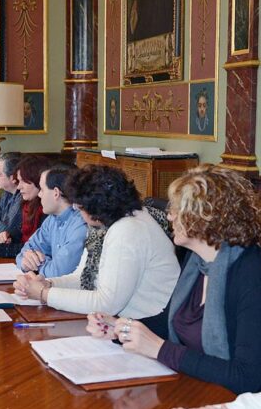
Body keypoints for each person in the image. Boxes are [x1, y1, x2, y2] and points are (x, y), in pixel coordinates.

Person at [87, 165, 261, 395]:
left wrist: (160, 349)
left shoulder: (251, 273)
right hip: (193, 387)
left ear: (203, 218)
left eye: (177, 210)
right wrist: (121, 328)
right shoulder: (197, 261)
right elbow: (171, 321)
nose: (169, 216)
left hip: (229, 400)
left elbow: (248, 377)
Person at [13, 165, 179, 319]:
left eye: (79, 206)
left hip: (149, 325)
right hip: (122, 322)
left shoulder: (128, 230)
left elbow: (106, 304)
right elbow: (84, 278)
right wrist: (48, 283)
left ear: (94, 206)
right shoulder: (104, 226)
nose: (77, 210)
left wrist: (44, 294)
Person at [14, 166, 87, 277]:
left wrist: (38, 263)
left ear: (56, 193)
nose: (39, 194)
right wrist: (26, 261)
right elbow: (22, 254)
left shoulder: (80, 224)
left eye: (42, 190)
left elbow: (57, 273)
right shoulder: (51, 219)